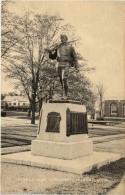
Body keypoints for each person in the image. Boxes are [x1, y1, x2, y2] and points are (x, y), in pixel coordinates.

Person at [46, 34, 78, 99]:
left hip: (67, 64)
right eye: (61, 38)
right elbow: (53, 57)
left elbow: (75, 57)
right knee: (61, 80)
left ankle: (66, 95)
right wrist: (49, 52)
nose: (62, 40)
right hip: (60, 64)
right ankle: (63, 93)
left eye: (63, 38)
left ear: (66, 39)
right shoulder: (58, 47)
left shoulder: (70, 47)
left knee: (65, 79)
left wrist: (76, 66)